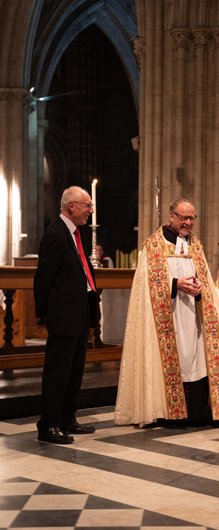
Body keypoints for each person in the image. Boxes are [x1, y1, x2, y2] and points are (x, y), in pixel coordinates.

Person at [115, 198, 219, 426]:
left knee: (195, 361)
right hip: (167, 319)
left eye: (191, 218)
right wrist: (175, 284)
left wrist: (198, 291)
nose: (188, 222)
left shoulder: (195, 246)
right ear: (171, 216)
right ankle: (167, 413)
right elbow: (145, 286)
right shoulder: (154, 246)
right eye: (183, 217)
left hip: (193, 318)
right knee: (176, 360)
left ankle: (195, 412)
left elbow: (205, 281)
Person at [34, 186, 97, 444]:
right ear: (71, 206)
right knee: (58, 372)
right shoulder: (56, 234)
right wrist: (42, 314)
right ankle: (48, 424)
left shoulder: (73, 233)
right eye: (87, 206)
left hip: (78, 312)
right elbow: (43, 277)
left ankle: (67, 418)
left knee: (75, 370)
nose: (91, 211)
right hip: (63, 314)